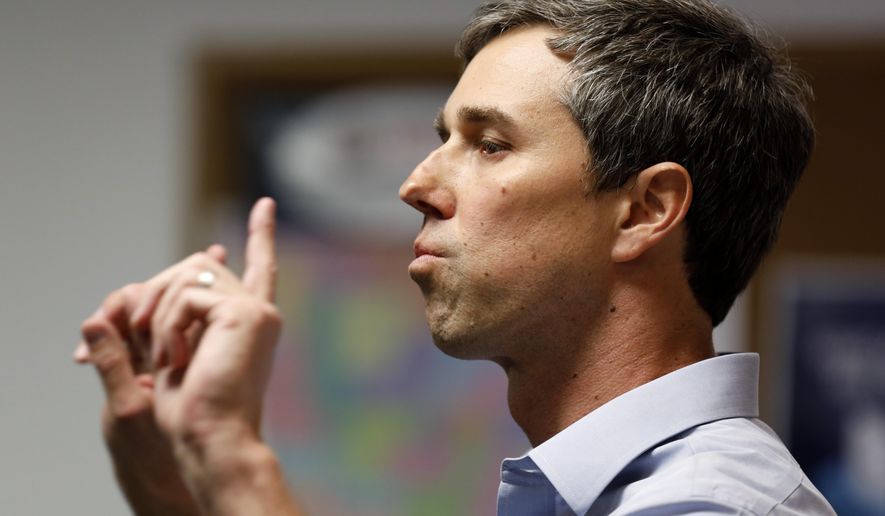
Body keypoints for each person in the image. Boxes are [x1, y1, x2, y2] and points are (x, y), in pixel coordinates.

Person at [75, 0, 836, 514]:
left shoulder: (713, 503)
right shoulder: (582, 493)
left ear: (643, 211)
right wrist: (179, 487)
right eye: (444, 139)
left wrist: (232, 461)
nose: (416, 185)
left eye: (489, 144)